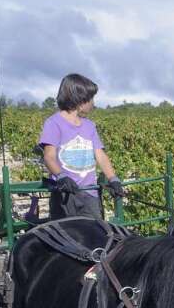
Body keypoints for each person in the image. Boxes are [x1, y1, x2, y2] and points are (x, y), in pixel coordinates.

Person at [39, 73, 124, 220]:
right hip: (65, 194)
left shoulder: (89, 126)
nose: (93, 103)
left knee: (96, 235)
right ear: (79, 99)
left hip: (89, 193)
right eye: (90, 99)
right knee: (67, 236)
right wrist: (62, 177)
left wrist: (113, 179)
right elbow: (49, 156)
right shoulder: (53, 123)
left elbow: (101, 156)